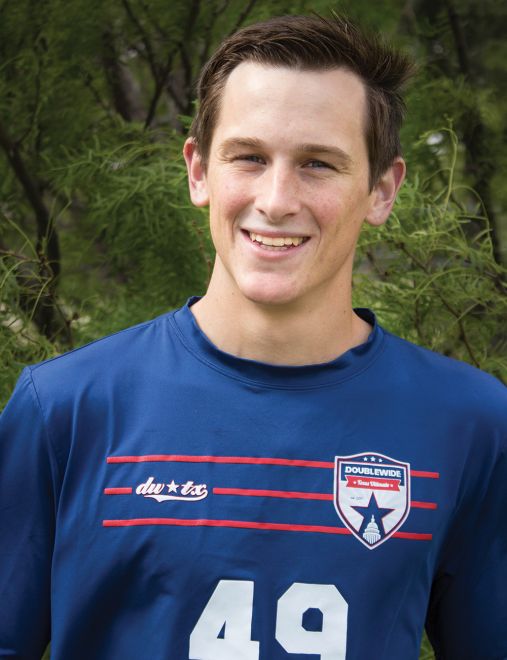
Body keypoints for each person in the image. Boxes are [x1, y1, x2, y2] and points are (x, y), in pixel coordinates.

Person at [0, 13, 506, 660]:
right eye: (249, 158)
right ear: (198, 171)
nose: (276, 199)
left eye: (318, 164)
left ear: (381, 190)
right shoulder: (65, 409)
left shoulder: (470, 423)